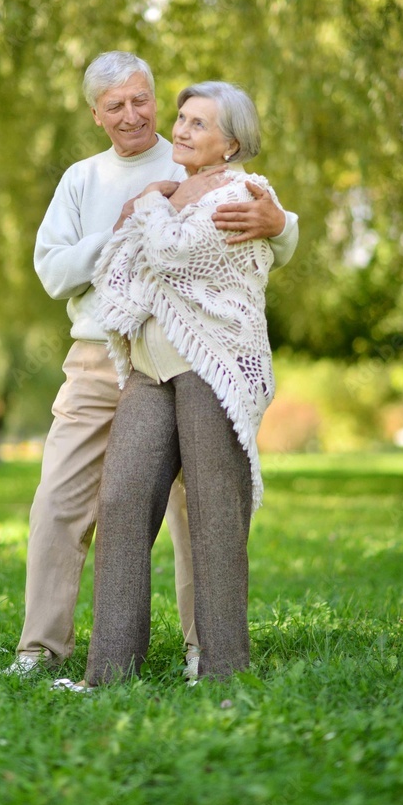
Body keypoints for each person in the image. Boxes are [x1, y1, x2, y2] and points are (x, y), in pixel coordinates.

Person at [6, 55, 299, 678]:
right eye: (116, 106)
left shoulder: (190, 158)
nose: (134, 115)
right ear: (96, 114)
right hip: (102, 359)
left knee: (202, 509)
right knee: (64, 504)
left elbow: (260, 214)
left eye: (143, 100)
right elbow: (53, 271)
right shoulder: (82, 179)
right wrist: (121, 228)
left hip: (192, 363)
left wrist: (282, 224)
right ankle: (41, 650)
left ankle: (206, 649)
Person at [72, 81, 288, 688]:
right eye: (183, 118)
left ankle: (223, 671)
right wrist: (151, 206)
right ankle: (109, 673)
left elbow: (172, 255)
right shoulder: (172, 189)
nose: (183, 130)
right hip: (151, 369)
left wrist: (146, 205)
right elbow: (120, 267)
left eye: (199, 123)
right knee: (120, 502)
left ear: (231, 143)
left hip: (212, 366)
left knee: (215, 514)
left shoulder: (245, 191)